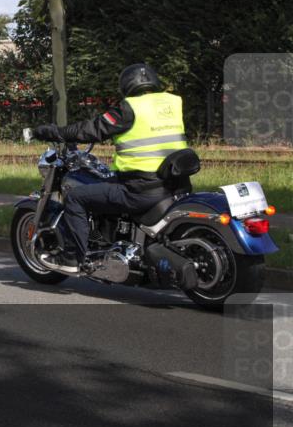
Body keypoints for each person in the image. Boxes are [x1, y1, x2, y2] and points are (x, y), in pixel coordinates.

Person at [31, 63, 187, 273]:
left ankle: (71, 259)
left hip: (140, 189)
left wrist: (56, 132)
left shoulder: (129, 108)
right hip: (174, 184)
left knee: (76, 197)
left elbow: (92, 129)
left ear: (127, 85)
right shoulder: (172, 102)